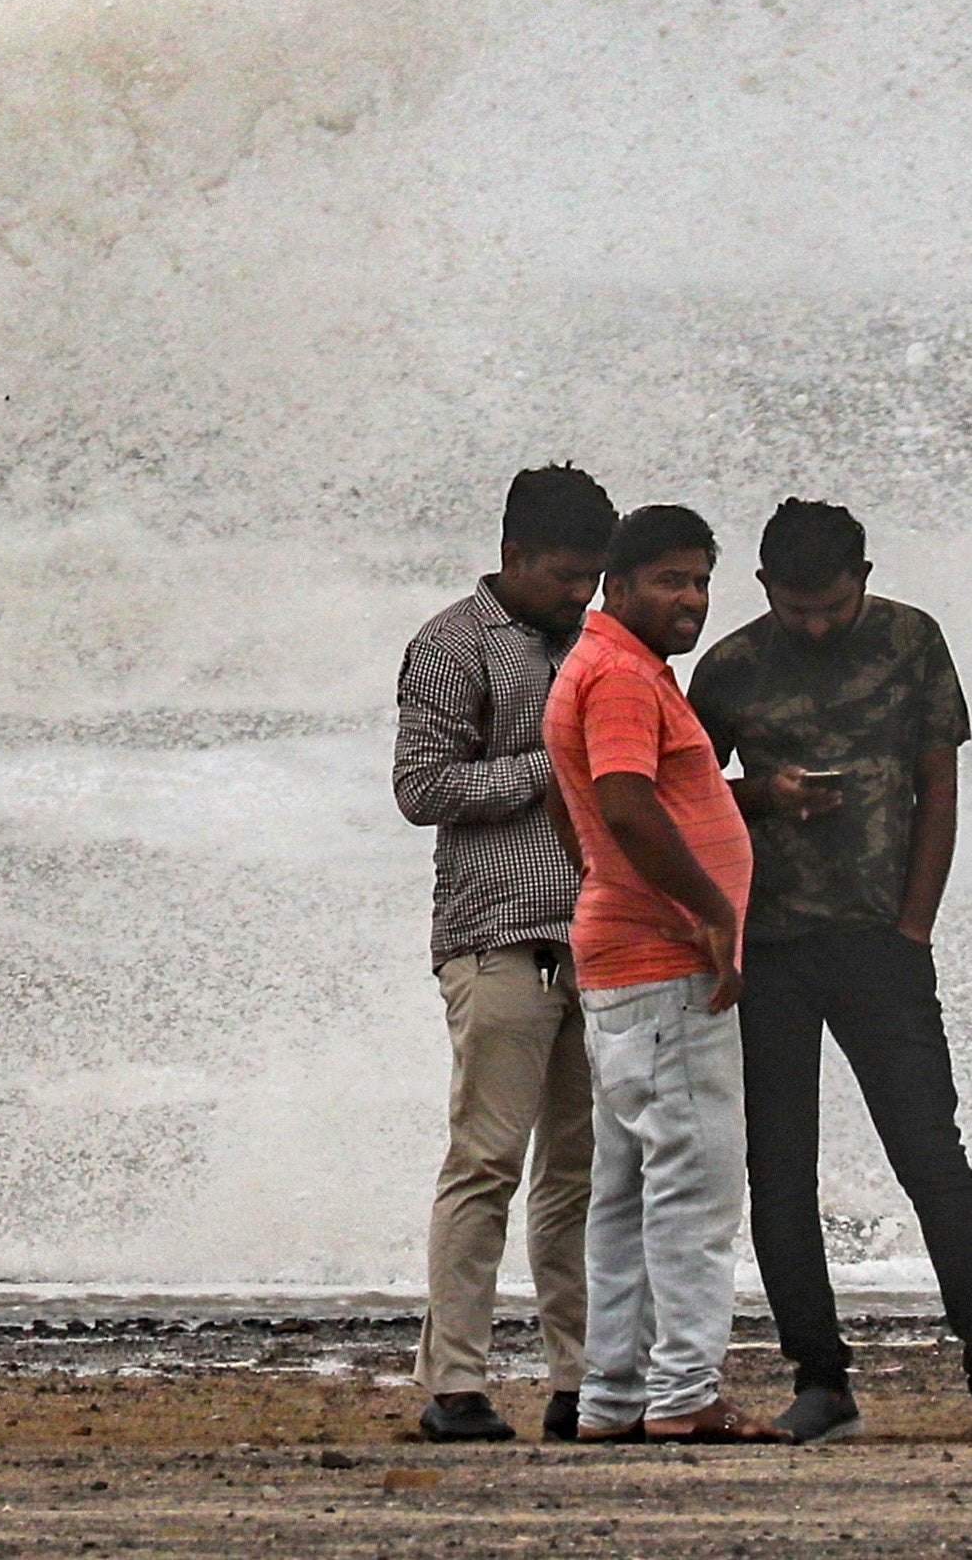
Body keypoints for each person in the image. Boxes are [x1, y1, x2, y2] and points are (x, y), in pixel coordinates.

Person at [688, 496, 972, 1441]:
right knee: (781, 1170)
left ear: (865, 579)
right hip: (766, 951)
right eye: (795, 607)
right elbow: (686, 797)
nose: (813, 624)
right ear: (763, 585)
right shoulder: (727, 668)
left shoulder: (911, 641)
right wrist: (764, 794)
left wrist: (914, 927)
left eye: (831, 606)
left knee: (931, 1156)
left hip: (880, 944)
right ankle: (820, 1376)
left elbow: (941, 787)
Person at [545, 501, 785, 1443]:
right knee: (696, 1181)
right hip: (660, 966)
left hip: (623, 958)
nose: (690, 598)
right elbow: (623, 802)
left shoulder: (609, 667)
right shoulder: (619, 677)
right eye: (668, 580)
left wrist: (612, 886)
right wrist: (710, 911)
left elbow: (584, 818)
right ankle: (685, 1393)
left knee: (629, 1184)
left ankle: (612, 1396)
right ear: (618, 583)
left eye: (699, 580)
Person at [391, 463, 614, 1443]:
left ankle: (582, 1381)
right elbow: (421, 789)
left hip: (598, 939)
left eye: (593, 578)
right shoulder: (451, 644)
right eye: (566, 575)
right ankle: (454, 1386)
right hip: (496, 935)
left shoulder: (600, 643)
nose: (580, 594)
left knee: (582, 1171)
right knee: (486, 1159)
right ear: (510, 555)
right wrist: (552, 766)